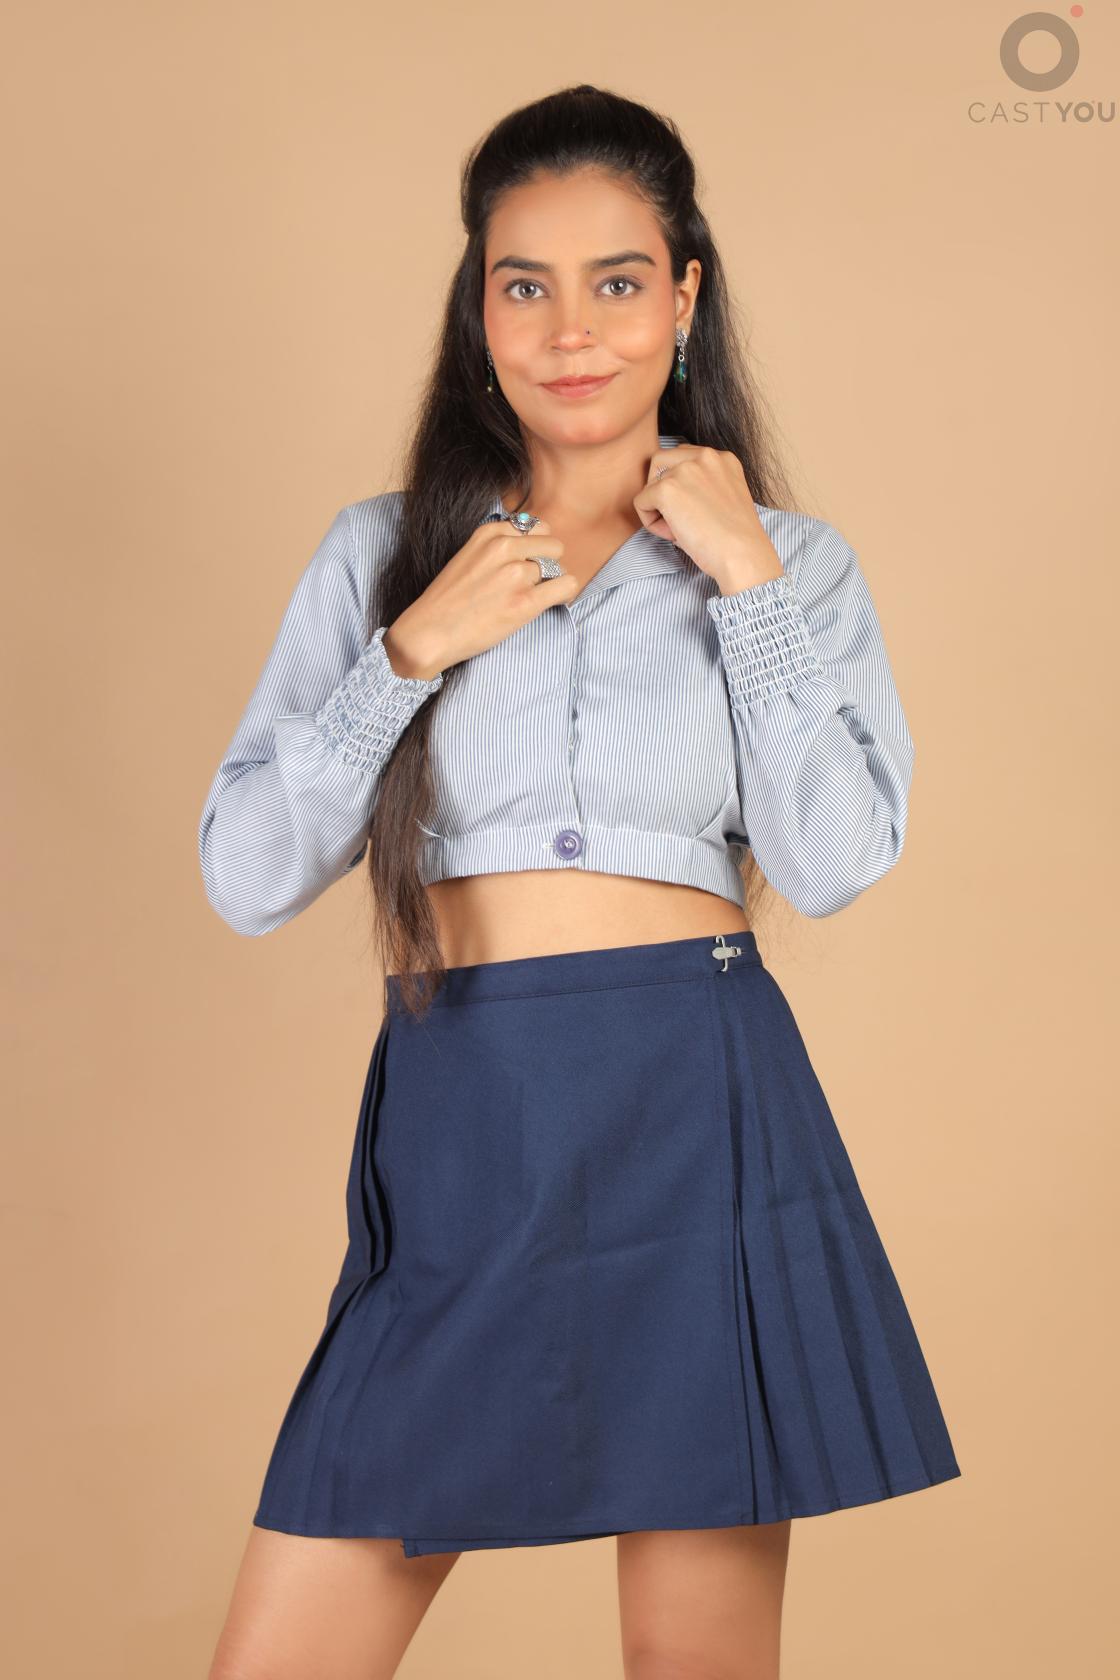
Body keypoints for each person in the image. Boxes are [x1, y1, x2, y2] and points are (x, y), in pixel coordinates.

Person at [201, 83, 960, 1680]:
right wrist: (412, 652)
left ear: (683, 300)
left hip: (699, 1108)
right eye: (523, 285)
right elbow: (248, 875)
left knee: (693, 1662)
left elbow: (830, 863)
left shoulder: (796, 562)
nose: (570, 332)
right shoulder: (383, 555)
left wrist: (746, 582)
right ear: (477, 315)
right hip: (466, 1111)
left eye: (617, 282)